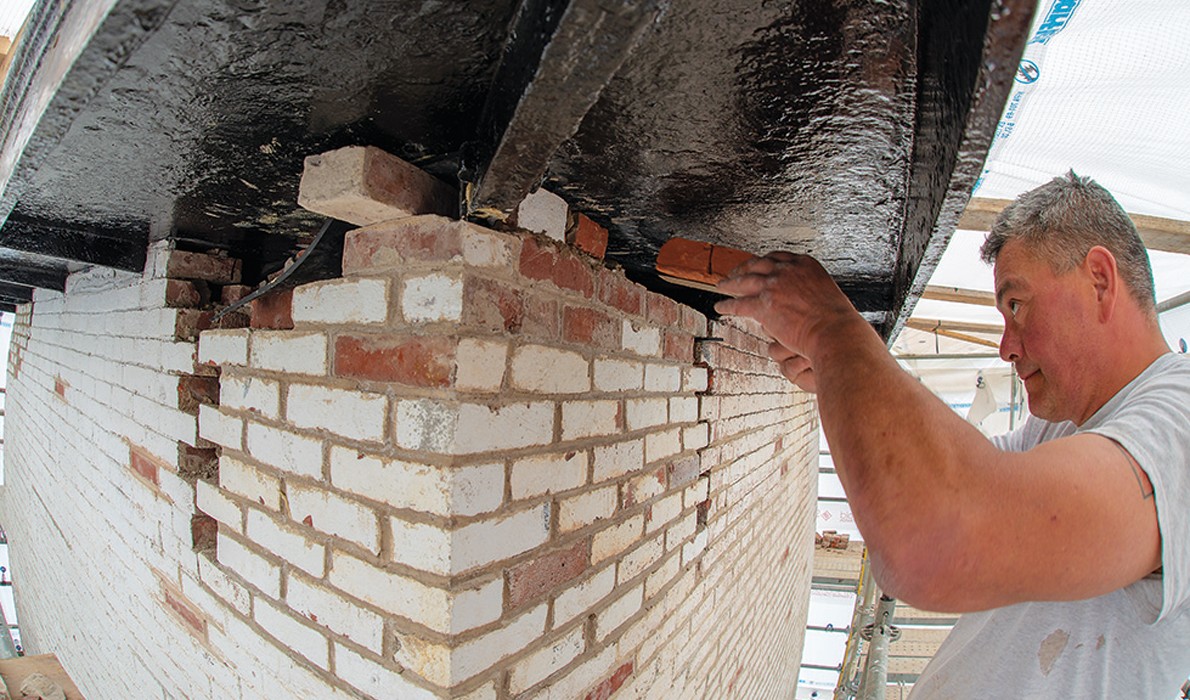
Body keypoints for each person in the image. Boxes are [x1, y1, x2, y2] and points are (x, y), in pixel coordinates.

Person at [715, 171, 1190, 696]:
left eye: (1016, 304)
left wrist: (832, 332)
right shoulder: (1066, 424)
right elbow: (947, 471)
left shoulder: (1179, 418)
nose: (1006, 347)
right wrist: (853, 377)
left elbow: (934, 541)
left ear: (1099, 279)